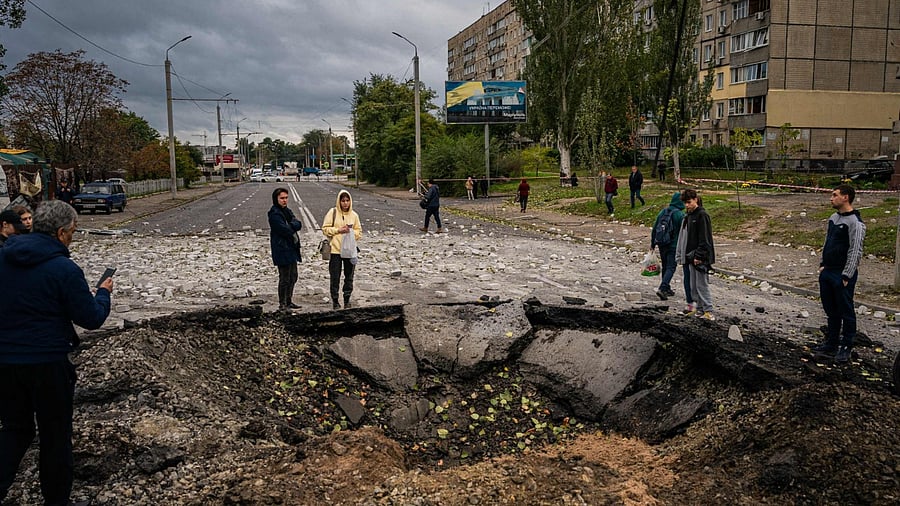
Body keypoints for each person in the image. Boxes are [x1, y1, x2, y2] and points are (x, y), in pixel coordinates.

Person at [0, 200, 113, 506]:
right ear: (62, 233)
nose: (73, 237)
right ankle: (56, 500)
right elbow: (90, 318)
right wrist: (103, 293)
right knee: (55, 435)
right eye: (73, 232)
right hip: (47, 363)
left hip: (5, 362)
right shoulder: (63, 268)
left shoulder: (2, 258)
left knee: (15, 429)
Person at [814, 184, 866, 364]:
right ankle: (831, 342)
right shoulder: (833, 218)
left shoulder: (855, 223)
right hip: (828, 270)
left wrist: (847, 275)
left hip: (841, 273)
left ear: (846, 197)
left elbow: (855, 251)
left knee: (846, 310)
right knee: (831, 310)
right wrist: (822, 264)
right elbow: (827, 241)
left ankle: (846, 345)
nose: (831, 198)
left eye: (835, 195)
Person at [678, 189, 715, 320]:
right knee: (693, 286)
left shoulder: (702, 215)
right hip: (690, 256)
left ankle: (708, 311)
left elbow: (705, 239)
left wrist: (699, 256)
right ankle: (699, 310)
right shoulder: (689, 216)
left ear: (696, 200)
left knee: (701, 285)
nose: (686, 205)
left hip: (700, 257)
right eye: (685, 203)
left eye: (688, 202)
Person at [322, 190, 362, 310]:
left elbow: (359, 232)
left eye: (347, 200)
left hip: (349, 251)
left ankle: (347, 298)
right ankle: (335, 300)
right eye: (343, 200)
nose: (345, 203)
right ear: (339, 201)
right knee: (335, 276)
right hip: (335, 250)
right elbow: (325, 228)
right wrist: (338, 230)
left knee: (349, 276)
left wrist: (350, 232)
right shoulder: (332, 212)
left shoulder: (354, 215)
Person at [267, 187, 303, 311]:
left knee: (293, 276)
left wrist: (291, 225)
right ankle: (282, 303)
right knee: (284, 278)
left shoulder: (287, 211)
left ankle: (289, 300)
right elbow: (284, 230)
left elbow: (298, 223)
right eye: (282, 198)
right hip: (282, 249)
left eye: (286, 198)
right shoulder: (274, 213)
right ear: (276, 199)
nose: (284, 200)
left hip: (291, 248)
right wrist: (291, 226)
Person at [650, 192, 685, 301]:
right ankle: (663, 287)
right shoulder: (680, 215)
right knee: (671, 267)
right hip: (674, 245)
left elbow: (655, 228)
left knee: (665, 265)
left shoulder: (663, 212)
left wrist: (653, 243)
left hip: (662, 243)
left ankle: (667, 287)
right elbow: (683, 232)